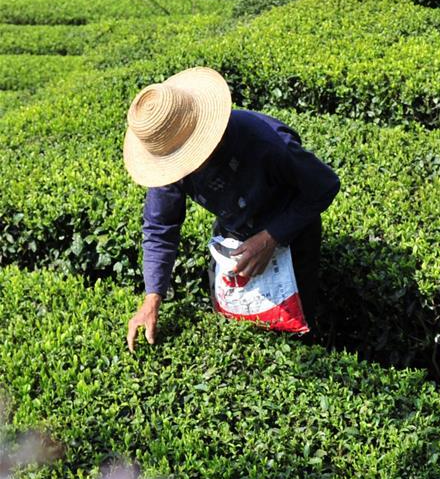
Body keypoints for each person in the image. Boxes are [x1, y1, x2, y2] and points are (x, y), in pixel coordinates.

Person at [123, 67, 340, 352]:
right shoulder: (169, 159)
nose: (185, 168)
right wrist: (152, 298)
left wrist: (270, 237)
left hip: (291, 229)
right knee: (234, 321)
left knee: (293, 329)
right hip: (233, 233)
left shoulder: (268, 142)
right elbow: (161, 227)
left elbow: (324, 185)